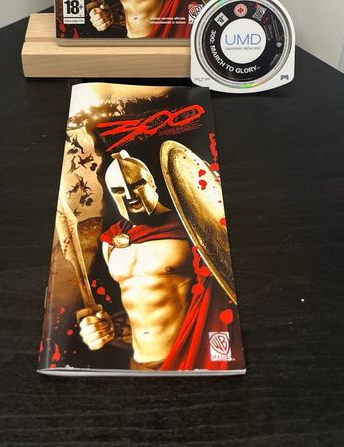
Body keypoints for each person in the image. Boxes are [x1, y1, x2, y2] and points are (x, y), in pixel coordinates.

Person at [77, 150, 236, 371]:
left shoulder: (190, 232)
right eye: (119, 191)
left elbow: (218, 296)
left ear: (152, 184)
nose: (130, 196)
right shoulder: (111, 242)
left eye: (137, 185)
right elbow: (142, 308)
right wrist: (107, 328)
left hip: (190, 359)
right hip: (139, 364)